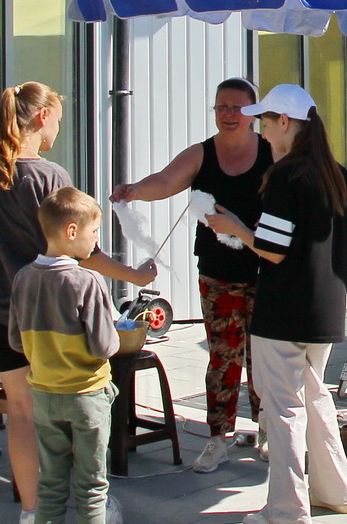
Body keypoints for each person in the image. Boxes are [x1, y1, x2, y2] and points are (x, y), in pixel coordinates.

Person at [0, 83, 154, 524]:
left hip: (6, 311)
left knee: (22, 414)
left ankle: (32, 518)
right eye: (58, 119)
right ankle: (97, 508)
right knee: (81, 414)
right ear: (43, 116)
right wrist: (135, 275)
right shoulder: (50, 176)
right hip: (58, 316)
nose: (58, 129)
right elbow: (82, 251)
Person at [202, 84, 347, 524]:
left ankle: (287, 512)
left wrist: (236, 227)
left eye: (264, 119)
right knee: (314, 398)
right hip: (326, 309)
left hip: (283, 309)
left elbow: (272, 250)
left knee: (284, 410)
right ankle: (336, 491)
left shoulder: (283, 177)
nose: (259, 127)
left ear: (284, 123)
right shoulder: (336, 173)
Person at [111, 78, 273, 474]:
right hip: (218, 271)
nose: (229, 114)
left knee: (267, 356)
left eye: (237, 107)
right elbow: (165, 181)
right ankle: (218, 437)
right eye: (221, 106)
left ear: (253, 113)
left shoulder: (272, 151)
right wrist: (134, 191)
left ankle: (268, 428)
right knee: (223, 354)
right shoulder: (202, 152)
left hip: (268, 269)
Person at [11, 188, 120, 524]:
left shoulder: (23, 278)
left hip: (43, 394)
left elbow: (15, 339)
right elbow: (104, 345)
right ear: (72, 231)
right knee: (91, 485)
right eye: (94, 232)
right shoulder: (86, 281)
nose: (96, 241)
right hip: (87, 394)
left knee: (51, 485)